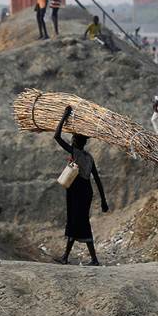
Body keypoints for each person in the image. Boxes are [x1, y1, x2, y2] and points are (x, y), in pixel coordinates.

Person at [54, 107, 107, 266]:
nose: (71, 140)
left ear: (77, 142)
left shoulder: (75, 152)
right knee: (76, 220)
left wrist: (64, 116)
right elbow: (97, 179)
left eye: (73, 139)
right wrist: (103, 200)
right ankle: (66, 256)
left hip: (77, 190)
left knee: (80, 221)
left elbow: (56, 136)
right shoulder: (89, 157)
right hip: (85, 191)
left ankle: (94, 259)